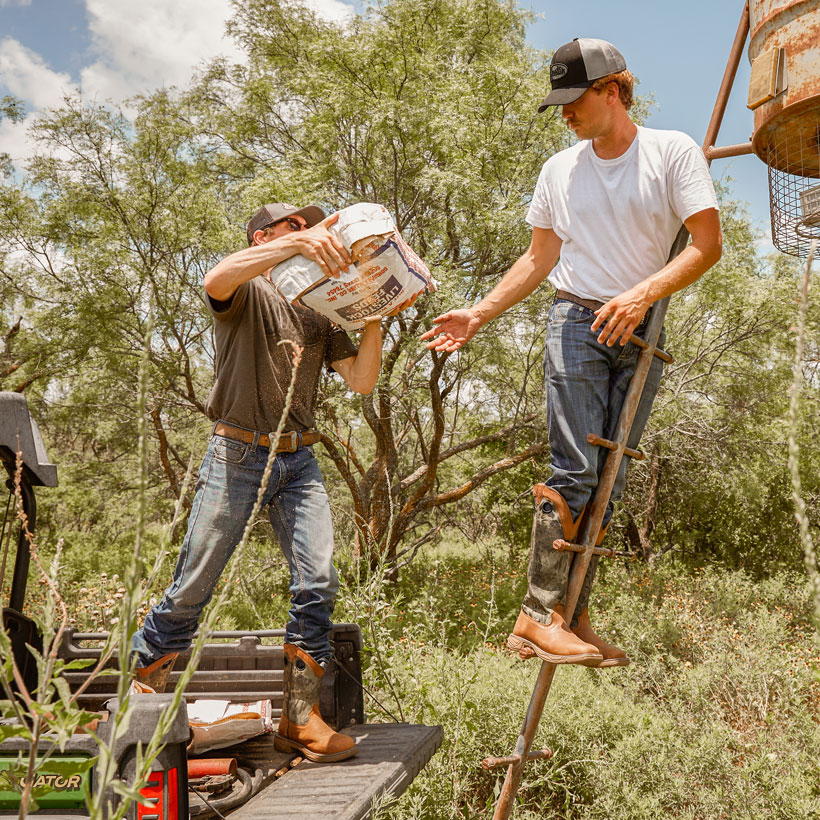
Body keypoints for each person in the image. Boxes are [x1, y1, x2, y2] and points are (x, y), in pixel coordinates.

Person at [422, 38, 722, 668]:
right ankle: (535, 617)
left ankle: (571, 613)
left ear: (612, 89)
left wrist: (642, 295)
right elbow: (539, 257)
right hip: (576, 321)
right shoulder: (559, 171)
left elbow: (705, 245)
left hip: (640, 333)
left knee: (608, 486)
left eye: (574, 99)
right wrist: (478, 312)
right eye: (558, 102)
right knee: (575, 472)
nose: (565, 114)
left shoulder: (672, 152)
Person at [132, 202, 408, 762]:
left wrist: (376, 309)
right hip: (236, 452)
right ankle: (142, 706)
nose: (309, 232)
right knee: (194, 585)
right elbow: (216, 278)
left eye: (310, 227)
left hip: (298, 459)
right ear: (263, 236)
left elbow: (361, 380)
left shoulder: (320, 310)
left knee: (319, 580)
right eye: (295, 226)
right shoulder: (248, 292)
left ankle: (300, 719)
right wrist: (296, 248)